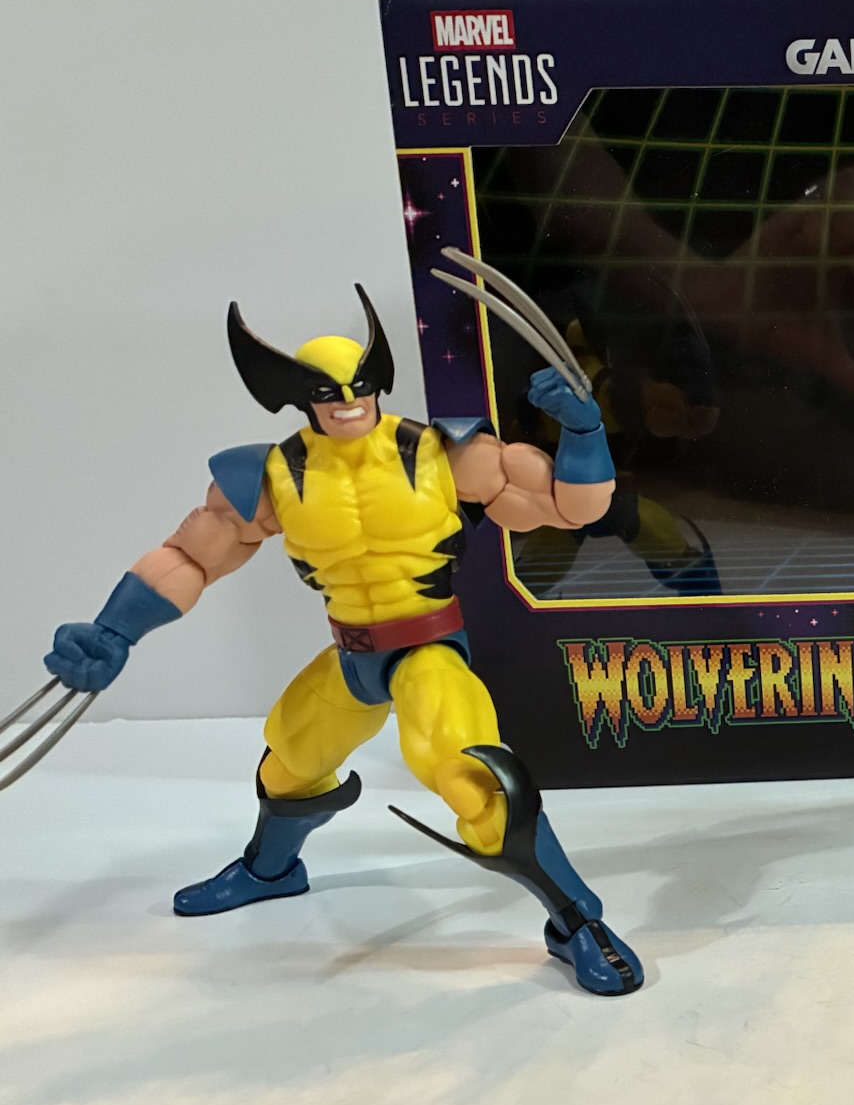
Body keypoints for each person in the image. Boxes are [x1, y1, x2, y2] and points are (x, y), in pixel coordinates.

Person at [41, 287, 645, 994]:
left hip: (428, 650)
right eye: (329, 391)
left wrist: (583, 432)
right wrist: (114, 630)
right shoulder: (272, 474)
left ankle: (577, 923)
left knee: (471, 773)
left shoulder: (445, 453)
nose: (349, 401)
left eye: (359, 385)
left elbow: (574, 507)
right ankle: (272, 870)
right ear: (298, 395)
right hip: (354, 655)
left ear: (378, 381)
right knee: (289, 760)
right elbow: (190, 557)